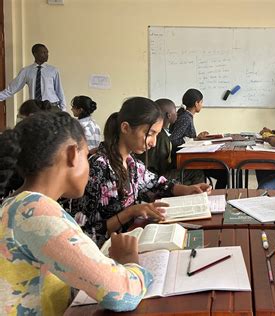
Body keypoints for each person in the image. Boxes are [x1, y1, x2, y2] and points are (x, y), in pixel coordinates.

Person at [0, 112, 152, 314]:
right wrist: (129, 260)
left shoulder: (16, 205)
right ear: (72, 154)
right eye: (86, 156)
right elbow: (122, 295)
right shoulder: (36, 212)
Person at [70, 97, 211, 247]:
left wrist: (187, 189)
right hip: (106, 251)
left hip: (131, 238)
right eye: (150, 134)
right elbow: (85, 232)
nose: (154, 142)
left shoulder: (132, 163)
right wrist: (130, 212)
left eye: (156, 135)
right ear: (125, 128)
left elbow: (157, 183)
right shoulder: (97, 168)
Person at [136, 98, 205, 185]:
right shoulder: (161, 136)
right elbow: (162, 165)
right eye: (175, 112)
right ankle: (197, 196)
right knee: (197, 172)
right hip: (157, 175)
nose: (177, 114)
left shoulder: (164, 132)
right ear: (169, 115)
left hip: (154, 171)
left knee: (191, 171)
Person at [170, 88, 227, 189]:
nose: (202, 105)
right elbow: (173, 140)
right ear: (196, 103)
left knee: (223, 173)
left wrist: (197, 138)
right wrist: (194, 140)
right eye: (201, 102)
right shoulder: (185, 118)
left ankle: (215, 196)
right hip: (186, 161)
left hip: (190, 158)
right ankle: (216, 197)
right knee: (224, 174)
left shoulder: (187, 116)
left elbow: (185, 137)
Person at [0, 43, 66, 111]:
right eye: (43, 52)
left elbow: (59, 90)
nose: (47, 55)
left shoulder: (53, 70)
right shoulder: (26, 71)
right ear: (35, 54)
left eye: (47, 52)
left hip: (52, 106)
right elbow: (12, 89)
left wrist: (63, 108)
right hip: (35, 107)